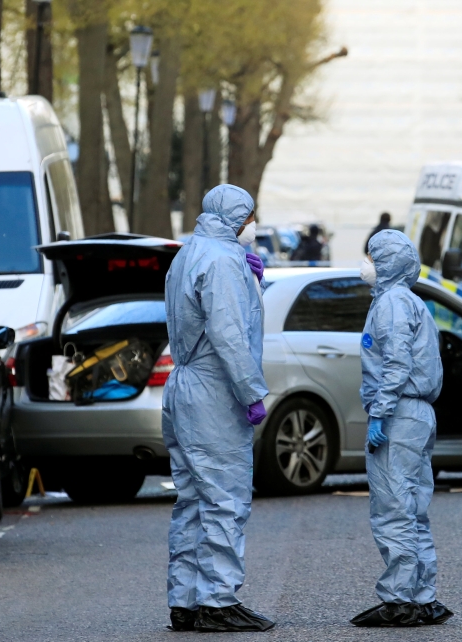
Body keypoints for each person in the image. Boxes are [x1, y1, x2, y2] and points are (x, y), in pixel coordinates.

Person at [161, 184, 274, 633]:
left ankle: (185, 600)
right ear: (237, 217)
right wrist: (252, 392)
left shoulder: (188, 254)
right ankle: (218, 600)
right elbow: (229, 334)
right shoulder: (224, 261)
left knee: (192, 499)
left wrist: (253, 284)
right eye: (249, 217)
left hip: (183, 387)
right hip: (213, 391)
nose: (252, 225)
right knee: (225, 498)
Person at [351, 230, 453, 628]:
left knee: (393, 507)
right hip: (419, 414)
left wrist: (380, 411)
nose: (368, 266)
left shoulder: (391, 303)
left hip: (400, 414)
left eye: (373, 258)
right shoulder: (411, 301)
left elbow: (395, 362)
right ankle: (423, 596)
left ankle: (399, 600)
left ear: (388, 263)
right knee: (414, 509)